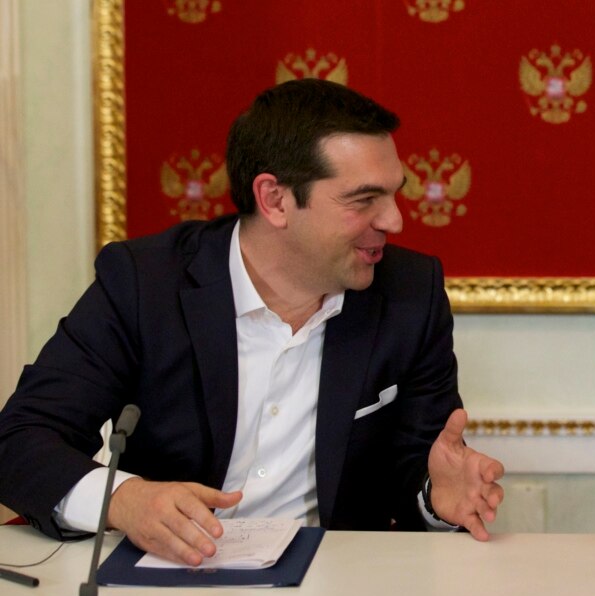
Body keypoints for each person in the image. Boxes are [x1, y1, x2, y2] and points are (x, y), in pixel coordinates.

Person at [0, 78, 504, 564]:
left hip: (338, 585)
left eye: (395, 194)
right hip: (165, 580)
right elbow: (20, 439)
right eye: (363, 200)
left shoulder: (410, 294)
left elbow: (418, 473)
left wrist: (435, 500)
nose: (394, 220)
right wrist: (124, 499)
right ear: (275, 200)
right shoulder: (145, 284)